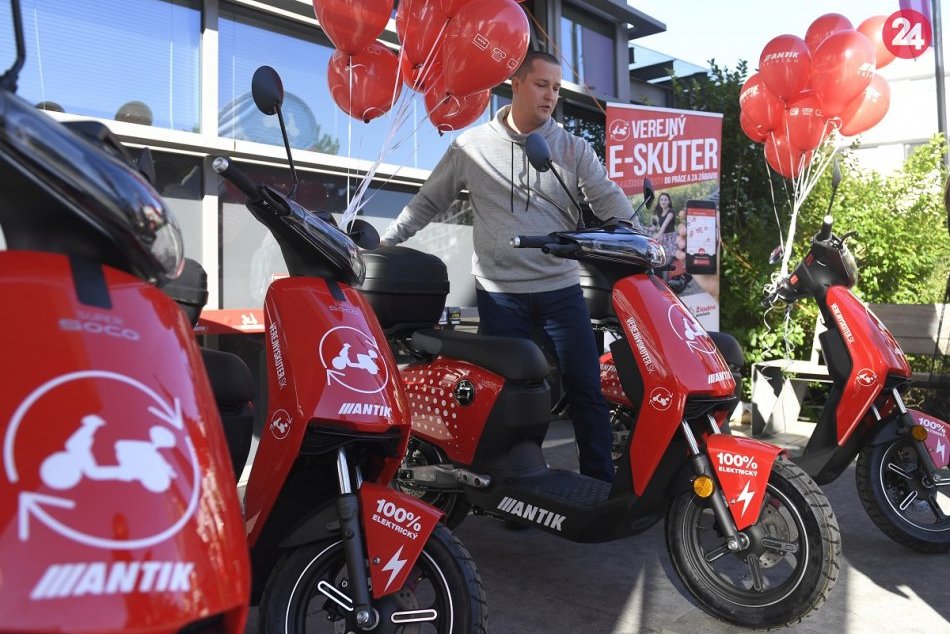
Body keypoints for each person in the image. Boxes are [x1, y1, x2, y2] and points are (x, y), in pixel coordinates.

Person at [380, 50, 642, 483]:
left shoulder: (572, 148)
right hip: (501, 295)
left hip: (561, 291)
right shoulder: (471, 147)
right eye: (542, 85)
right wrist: (387, 243)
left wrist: (640, 238)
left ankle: (600, 484)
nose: (551, 96)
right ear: (516, 84)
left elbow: (608, 198)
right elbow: (429, 201)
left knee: (586, 390)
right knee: (509, 397)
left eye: (557, 89)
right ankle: (514, 487)